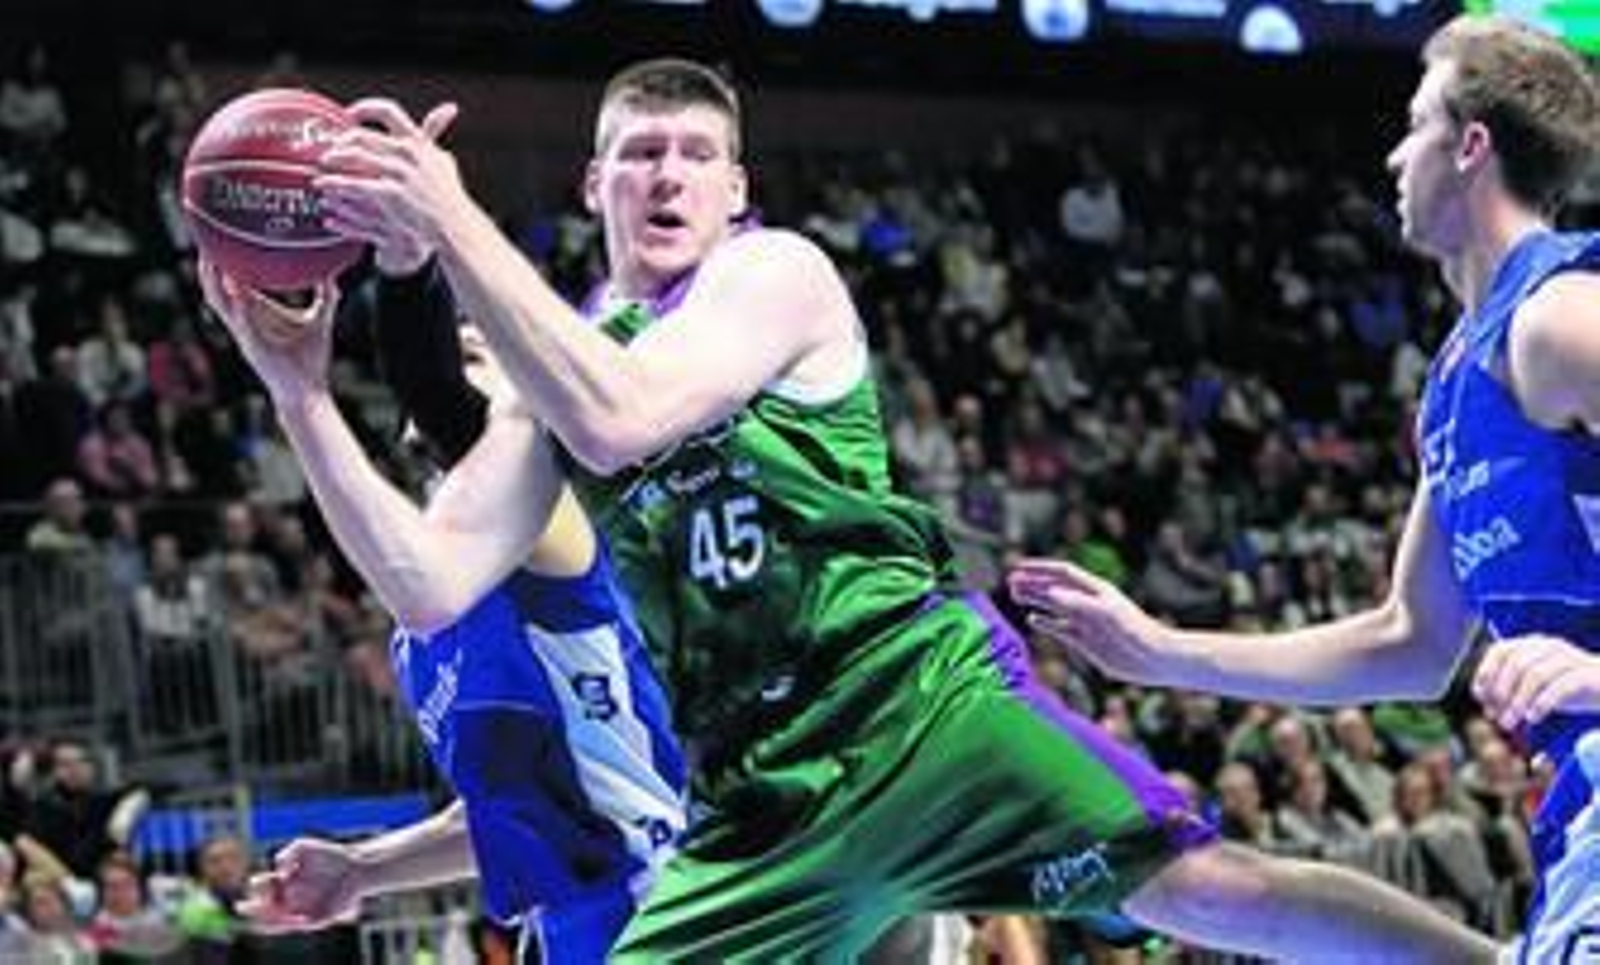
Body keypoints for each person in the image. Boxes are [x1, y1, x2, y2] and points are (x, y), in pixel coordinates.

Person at [306, 59, 1496, 960]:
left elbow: (624, 416)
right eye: (637, 153)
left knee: (1204, 885)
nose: (665, 174)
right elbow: (426, 577)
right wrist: (296, 388)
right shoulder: (558, 378)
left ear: (734, 189)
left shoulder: (770, 276)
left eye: (692, 153)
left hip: (915, 701)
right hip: (760, 792)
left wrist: (452, 225)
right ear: (593, 182)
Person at [1010, 15, 1600, 962]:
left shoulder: (1562, 318)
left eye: (1416, 123)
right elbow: (1406, 642)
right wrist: (1160, 652)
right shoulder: (1459, 382)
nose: (1394, 152)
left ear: (1471, 147)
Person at [198, 249, 686, 962]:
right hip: (569, 930)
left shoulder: (547, 517)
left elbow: (443, 402)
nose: (454, 375)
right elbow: (517, 811)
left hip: (661, 912)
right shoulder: (417, 634)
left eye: (476, 357)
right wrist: (366, 869)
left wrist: (403, 260)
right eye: (455, 351)